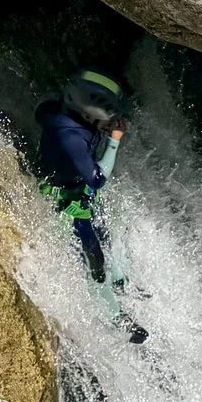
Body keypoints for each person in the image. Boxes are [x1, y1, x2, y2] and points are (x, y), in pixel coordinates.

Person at [36, 70, 131, 287]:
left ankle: (119, 280)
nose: (112, 123)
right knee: (93, 251)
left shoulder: (59, 112)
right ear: (88, 115)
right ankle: (102, 290)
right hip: (65, 200)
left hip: (78, 188)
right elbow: (97, 179)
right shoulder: (72, 138)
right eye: (107, 119)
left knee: (103, 234)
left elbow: (41, 112)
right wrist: (114, 140)